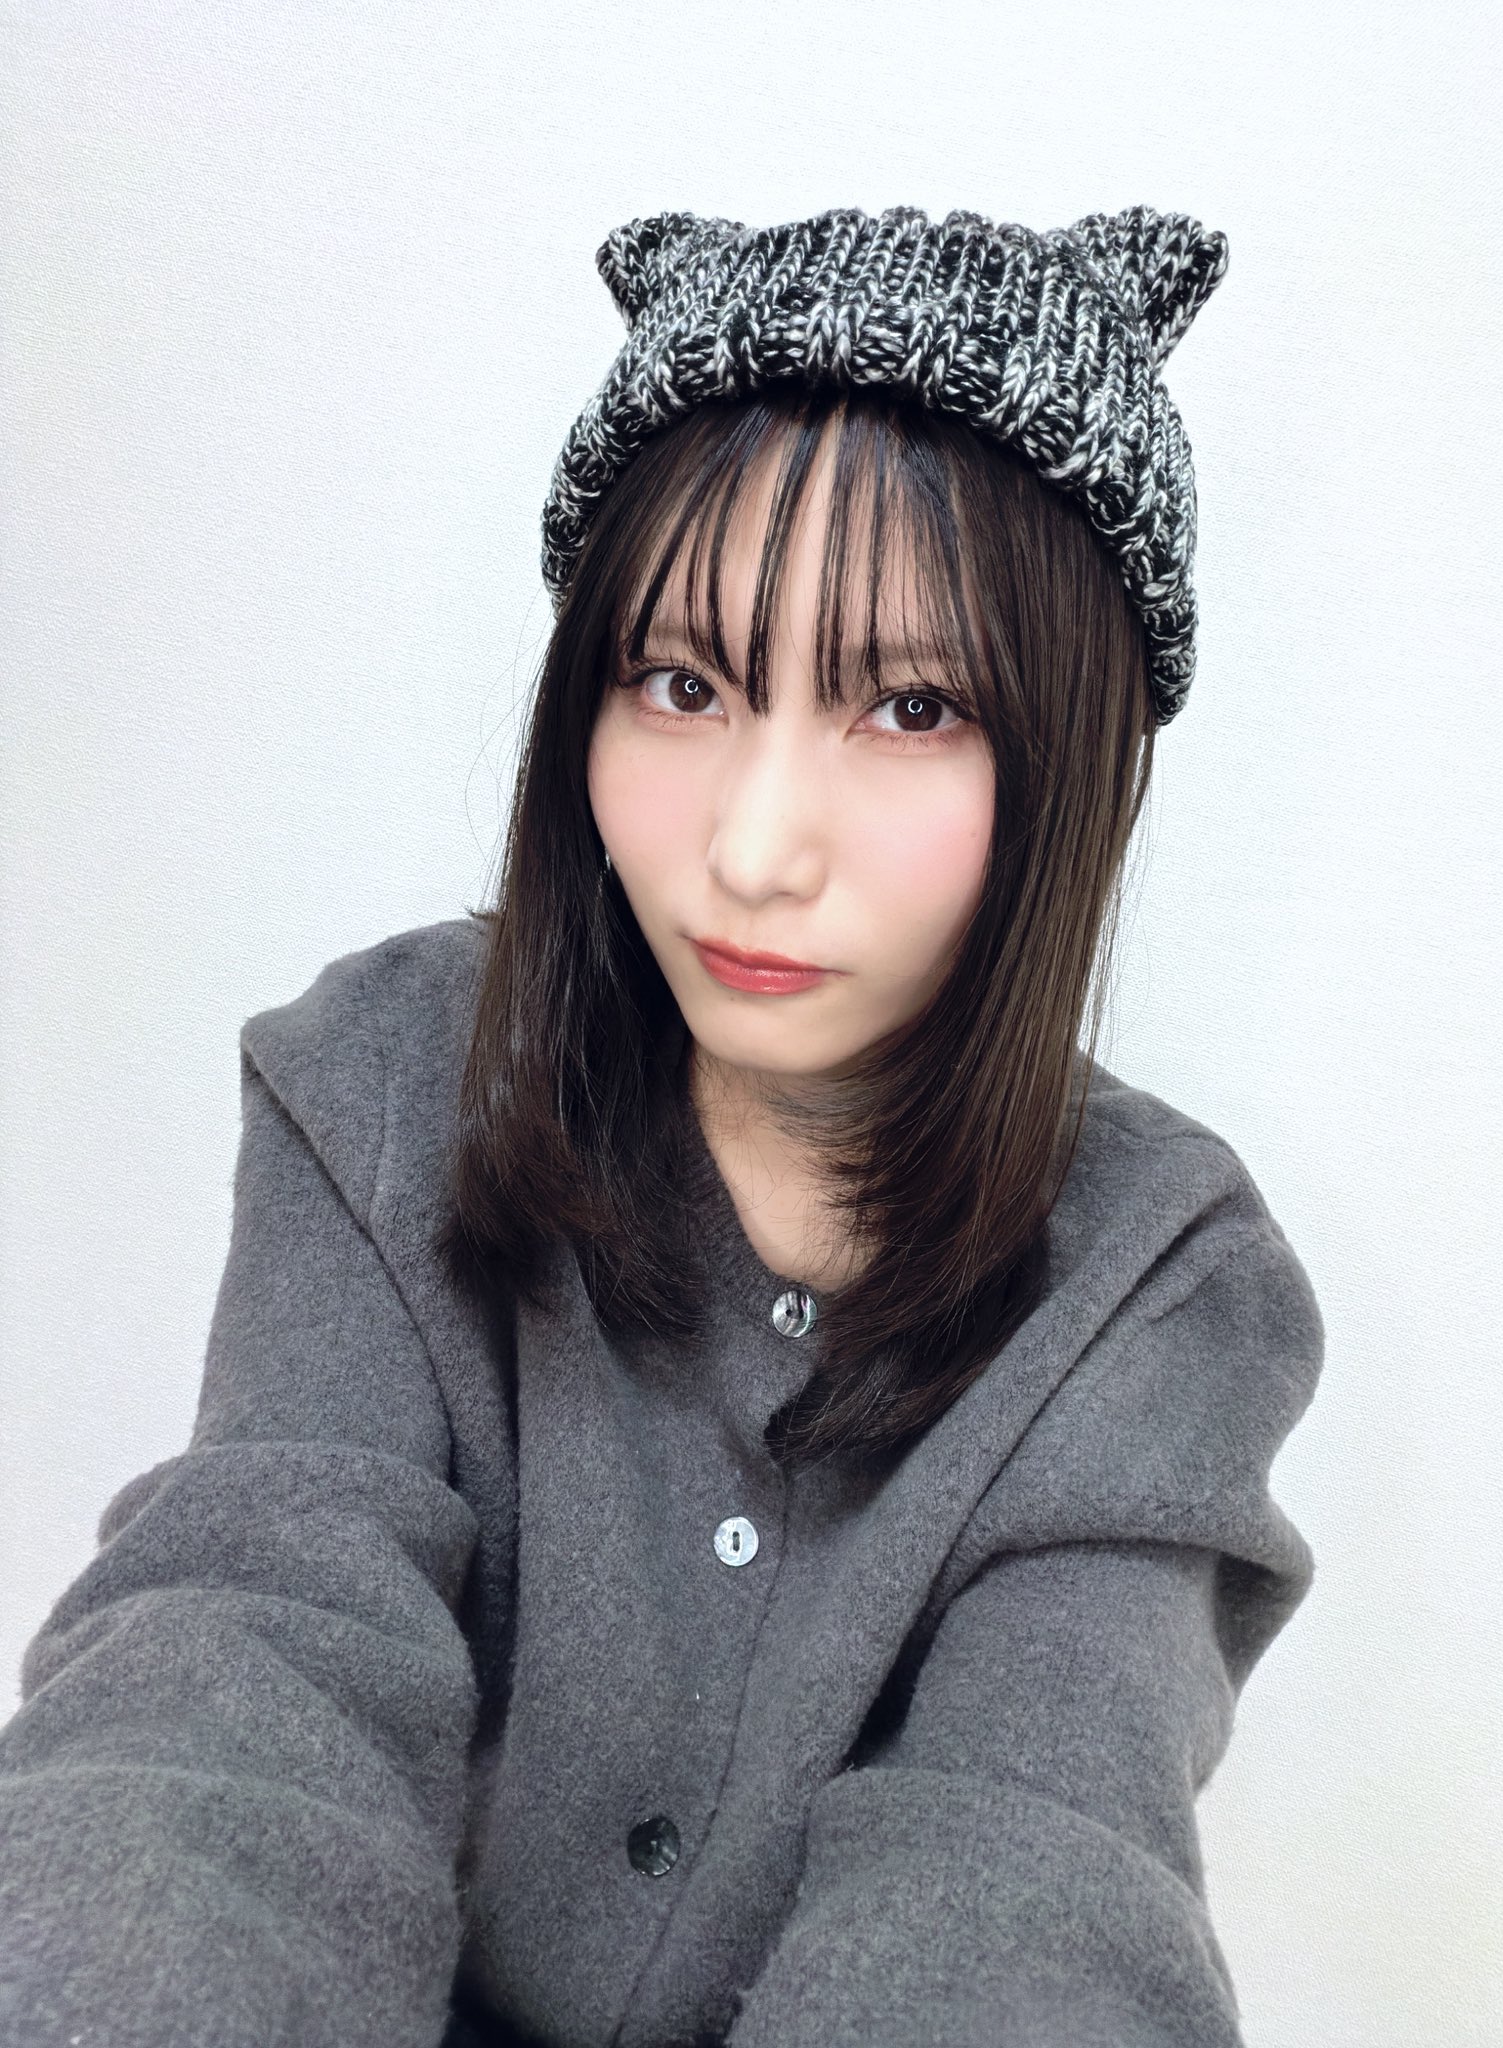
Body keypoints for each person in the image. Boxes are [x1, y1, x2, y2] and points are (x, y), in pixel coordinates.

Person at [0, 204, 1326, 2048]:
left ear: (1077, 760)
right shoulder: (384, 1082)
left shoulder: (1161, 1285)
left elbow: (1038, 1856)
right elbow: (243, 1664)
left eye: (913, 705)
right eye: (682, 684)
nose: (753, 850)